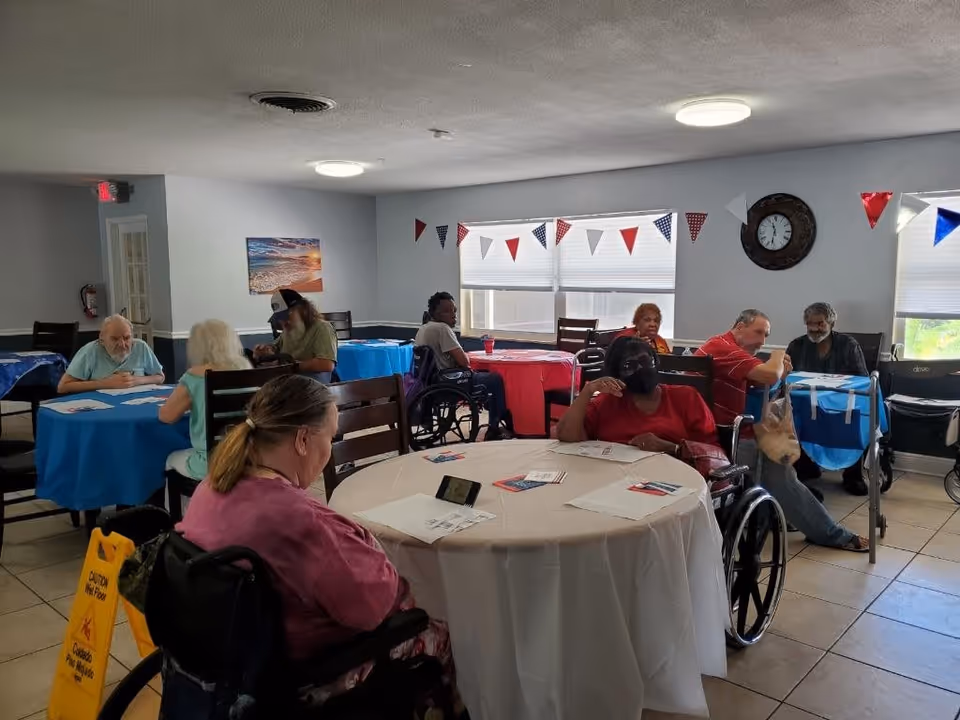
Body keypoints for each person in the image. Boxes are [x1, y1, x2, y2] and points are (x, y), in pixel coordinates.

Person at [177, 376, 465, 715]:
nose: (330, 449)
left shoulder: (212, 485)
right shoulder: (299, 520)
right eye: (331, 436)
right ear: (302, 439)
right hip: (303, 670)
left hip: (227, 655)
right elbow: (374, 606)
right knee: (439, 632)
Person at [696, 309, 868, 552]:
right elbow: (768, 376)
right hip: (729, 438)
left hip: (728, 432)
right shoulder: (722, 347)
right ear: (739, 326)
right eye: (759, 332)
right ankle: (827, 532)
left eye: (767, 336)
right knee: (783, 475)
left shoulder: (729, 351)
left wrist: (778, 372)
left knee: (784, 476)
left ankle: (820, 529)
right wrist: (778, 356)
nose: (762, 341)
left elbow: (762, 384)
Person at [556, 336, 717, 452]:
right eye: (629, 365)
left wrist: (671, 448)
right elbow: (566, 436)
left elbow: (713, 454)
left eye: (645, 361)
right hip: (615, 482)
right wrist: (587, 391)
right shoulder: (608, 402)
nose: (640, 369)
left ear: (656, 361)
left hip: (676, 483)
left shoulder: (686, 398)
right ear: (616, 374)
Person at [786, 302, 870, 495]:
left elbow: (862, 379)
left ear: (831, 323)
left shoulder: (848, 345)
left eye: (820, 323)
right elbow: (786, 376)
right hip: (807, 403)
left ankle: (853, 475)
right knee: (791, 417)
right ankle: (806, 465)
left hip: (840, 404)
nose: (815, 328)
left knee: (852, 421)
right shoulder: (796, 345)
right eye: (810, 324)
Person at [159, 319, 251, 480]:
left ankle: (193, 503)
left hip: (210, 462)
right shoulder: (247, 369)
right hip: (246, 458)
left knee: (168, 458)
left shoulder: (195, 375)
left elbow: (166, 416)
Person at [415, 291, 512, 440]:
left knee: (483, 376)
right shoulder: (442, 329)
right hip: (450, 382)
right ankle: (495, 425)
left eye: (454, 311)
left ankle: (495, 411)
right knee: (495, 379)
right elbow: (464, 361)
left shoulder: (424, 328)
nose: (453, 315)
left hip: (431, 382)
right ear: (435, 313)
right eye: (447, 311)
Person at [57, 314, 164, 394]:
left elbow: (160, 377)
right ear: (102, 339)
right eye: (115, 339)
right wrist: (105, 384)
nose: (122, 344)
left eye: (127, 338)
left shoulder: (141, 347)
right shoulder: (90, 351)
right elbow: (63, 387)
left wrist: (136, 380)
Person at [253, 288, 338, 383]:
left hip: (314, 388)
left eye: (286, 316)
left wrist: (291, 367)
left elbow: (326, 364)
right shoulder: (288, 331)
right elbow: (274, 349)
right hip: (290, 384)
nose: (283, 322)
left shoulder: (322, 328)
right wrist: (264, 351)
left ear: (303, 310)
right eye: (280, 318)